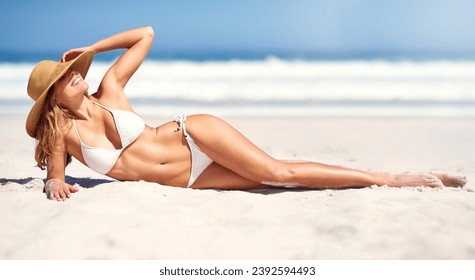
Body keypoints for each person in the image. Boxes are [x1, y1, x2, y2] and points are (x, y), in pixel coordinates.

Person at [26, 26, 466, 201]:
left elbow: (146, 34)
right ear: (54, 98)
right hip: (189, 179)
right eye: (66, 77)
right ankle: (380, 177)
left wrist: (95, 48)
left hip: (191, 135)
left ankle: (390, 178)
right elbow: (56, 174)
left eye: (74, 70)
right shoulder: (63, 134)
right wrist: (54, 181)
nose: (77, 76)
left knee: (281, 170)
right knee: (276, 183)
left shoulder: (111, 88)